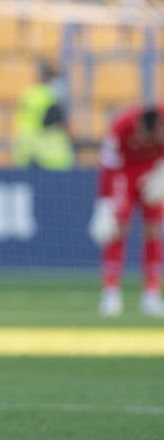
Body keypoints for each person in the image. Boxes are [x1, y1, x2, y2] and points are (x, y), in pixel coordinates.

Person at [91, 105, 164, 317]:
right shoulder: (121, 126)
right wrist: (103, 203)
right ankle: (111, 293)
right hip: (125, 172)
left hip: (153, 172)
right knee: (117, 230)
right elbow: (107, 164)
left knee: (152, 231)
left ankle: (151, 294)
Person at [12, 60, 74, 170]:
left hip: (24, 150)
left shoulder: (28, 94)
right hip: (49, 153)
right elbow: (62, 123)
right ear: (50, 78)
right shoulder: (51, 96)